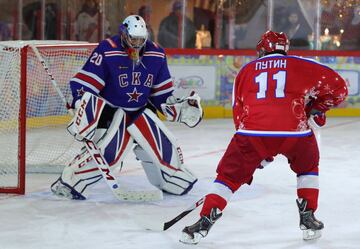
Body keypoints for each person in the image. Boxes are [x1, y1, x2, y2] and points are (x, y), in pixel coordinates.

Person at [180, 31, 348, 244]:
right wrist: (316, 109)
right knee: (308, 166)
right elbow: (340, 88)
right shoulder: (300, 64)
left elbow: (238, 112)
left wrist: (255, 153)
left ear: (261, 50)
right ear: (284, 49)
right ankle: (308, 218)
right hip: (294, 133)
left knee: (227, 177)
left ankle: (203, 222)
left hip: (252, 134)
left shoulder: (245, 70)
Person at [51, 15, 203, 200]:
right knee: (109, 154)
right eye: (134, 39)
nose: (137, 44)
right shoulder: (107, 49)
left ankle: (172, 180)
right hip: (114, 113)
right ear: (123, 34)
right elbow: (87, 82)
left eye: (141, 39)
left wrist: (178, 107)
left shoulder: (156, 54)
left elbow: (161, 93)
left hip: (141, 112)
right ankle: (71, 181)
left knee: (162, 146)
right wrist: (80, 103)